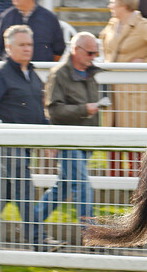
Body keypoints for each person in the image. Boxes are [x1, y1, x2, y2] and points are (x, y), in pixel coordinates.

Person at [0, 25, 62, 251]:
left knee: (3, 195)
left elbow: (37, 113)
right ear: (9, 47)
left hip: (24, 146)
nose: (28, 49)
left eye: (30, 44)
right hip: (7, 145)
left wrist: (50, 139)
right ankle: (39, 241)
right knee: (25, 189)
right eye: (22, 45)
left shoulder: (32, 76)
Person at [34, 32, 101, 242]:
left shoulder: (89, 74)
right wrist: (84, 109)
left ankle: (30, 224)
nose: (93, 56)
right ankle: (91, 236)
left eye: (96, 52)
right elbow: (53, 111)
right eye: (90, 52)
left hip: (84, 141)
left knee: (62, 188)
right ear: (76, 50)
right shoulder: (59, 74)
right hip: (68, 141)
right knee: (82, 185)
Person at [100, 0, 147, 176]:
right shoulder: (113, 24)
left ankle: (138, 180)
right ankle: (113, 179)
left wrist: (145, 63)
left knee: (135, 136)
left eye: (113, 1)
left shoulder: (142, 25)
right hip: (113, 90)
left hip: (134, 91)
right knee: (112, 134)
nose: (110, 5)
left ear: (124, 4)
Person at [0, 0, 65, 62]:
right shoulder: (6, 17)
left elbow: (59, 50)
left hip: (41, 71)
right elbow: (0, 48)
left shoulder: (49, 19)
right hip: (11, 73)